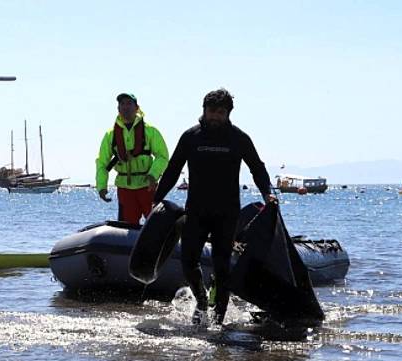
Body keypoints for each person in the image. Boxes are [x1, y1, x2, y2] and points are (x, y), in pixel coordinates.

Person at [154, 88, 278, 326]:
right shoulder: (191, 137)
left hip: (227, 212)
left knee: (222, 268)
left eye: (220, 113)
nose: (214, 117)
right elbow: (172, 170)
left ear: (228, 114)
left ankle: (218, 321)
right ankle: (201, 300)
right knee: (189, 261)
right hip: (196, 211)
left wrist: (268, 194)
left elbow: (257, 168)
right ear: (204, 110)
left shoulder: (239, 138)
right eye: (211, 111)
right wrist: (157, 198)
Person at [95, 93, 169, 225]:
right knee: (126, 229)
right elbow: (102, 162)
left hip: (147, 187)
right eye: (122, 104)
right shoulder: (110, 135)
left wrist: (153, 175)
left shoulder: (150, 131)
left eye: (129, 103)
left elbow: (162, 156)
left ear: (137, 108)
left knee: (155, 226)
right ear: (118, 109)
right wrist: (101, 186)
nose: (125, 107)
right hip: (125, 189)